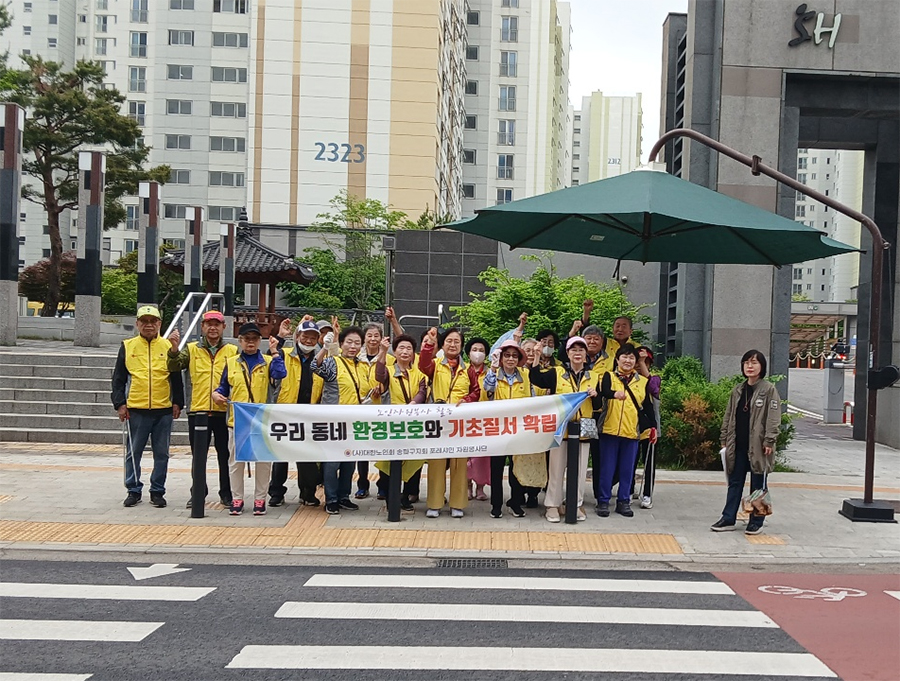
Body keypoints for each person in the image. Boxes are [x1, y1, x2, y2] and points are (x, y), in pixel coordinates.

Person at [112, 305, 185, 509]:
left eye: (153, 321)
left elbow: (176, 377)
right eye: (144, 321)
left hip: (163, 409)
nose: (149, 325)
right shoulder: (128, 346)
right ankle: (133, 489)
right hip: (136, 409)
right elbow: (118, 379)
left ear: (160, 324)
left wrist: (178, 402)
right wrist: (119, 404)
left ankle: (157, 490)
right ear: (137, 324)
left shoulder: (168, 346)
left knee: (162, 453)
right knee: (133, 452)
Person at [212, 322, 286, 516]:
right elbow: (223, 387)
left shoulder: (268, 361)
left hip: (261, 422)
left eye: (254, 339)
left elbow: (280, 374)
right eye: (246, 339)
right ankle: (237, 499)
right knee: (235, 463)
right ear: (240, 341)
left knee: (263, 462)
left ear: (260, 341)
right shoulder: (231, 362)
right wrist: (216, 394)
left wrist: (275, 351)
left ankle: (260, 499)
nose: (250, 342)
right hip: (237, 422)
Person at [166, 310, 238, 509]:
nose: (213, 328)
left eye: (217, 324)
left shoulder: (233, 351)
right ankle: (198, 492)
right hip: (198, 411)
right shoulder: (191, 349)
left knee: (225, 455)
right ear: (202, 327)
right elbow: (174, 366)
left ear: (224, 327)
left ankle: (227, 493)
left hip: (224, 411)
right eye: (209, 324)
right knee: (199, 456)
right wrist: (174, 349)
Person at [529, 335, 602, 523]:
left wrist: (595, 395)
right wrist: (536, 356)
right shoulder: (557, 372)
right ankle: (552, 505)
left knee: (579, 471)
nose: (577, 353)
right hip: (560, 430)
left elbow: (599, 406)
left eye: (581, 350)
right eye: (573, 350)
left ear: (586, 354)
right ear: (567, 353)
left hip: (583, 430)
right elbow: (536, 378)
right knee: (556, 469)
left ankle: (575, 504)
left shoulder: (594, 376)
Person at [712, 350, 781, 536]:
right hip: (738, 445)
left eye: (754, 362)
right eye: (746, 363)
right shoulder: (738, 390)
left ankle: (756, 521)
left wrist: (769, 440)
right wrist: (724, 438)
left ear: (762, 366)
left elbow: (773, 418)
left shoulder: (768, 390)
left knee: (759, 483)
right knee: (735, 482)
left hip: (759, 446)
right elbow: (728, 416)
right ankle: (728, 518)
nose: (750, 366)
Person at [312, 320, 377, 515]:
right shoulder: (334, 362)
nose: (353, 346)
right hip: (334, 422)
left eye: (357, 343)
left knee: (349, 461)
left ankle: (344, 497)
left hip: (354, 422)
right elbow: (315, 366)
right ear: (341, 344)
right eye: (349, 342)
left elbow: (365, 390)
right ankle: (331, 499)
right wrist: (326, 347)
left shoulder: (362, 366)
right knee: (332, 463)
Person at [418, 326, 481, 518]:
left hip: (460, 424)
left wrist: (467, 400)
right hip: (438, 423)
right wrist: (429, 344)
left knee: (459, 464)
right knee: (436, 463)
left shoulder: (468, 369)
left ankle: (457, 504)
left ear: (461, 345)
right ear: (443, 344)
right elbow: (423, 364)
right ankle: (435, 504)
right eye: (449, 341)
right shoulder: (435, 364)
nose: (453, 345)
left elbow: (476, 391)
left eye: (457, 341)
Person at [269, 317, 324, 508]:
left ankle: (307, 493)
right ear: (298, 336)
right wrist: (280, 336)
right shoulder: (285, 354)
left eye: (313, 338)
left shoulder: (321, 358)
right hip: (285, 413)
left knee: (307, 457)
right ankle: (276, 492)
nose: (308, 341)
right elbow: (270, 356)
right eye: (305, 336)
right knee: (280, 456)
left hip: (310, 414)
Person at [596, 344, 656, 518]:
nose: (628, 360)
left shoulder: (642, 382)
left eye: (631, 358)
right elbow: (604, 392)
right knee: (607, 468)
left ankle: (623, 502)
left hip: (631, 432)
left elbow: (648, 406)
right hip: (609, 430)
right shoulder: (608, 376)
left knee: (627, 470)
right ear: (617, 359)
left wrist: (653, 427)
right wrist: (614, 394)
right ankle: (603, 501)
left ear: (636, 361)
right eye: (624, 357)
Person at [482, 339, 539, 518]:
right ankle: (496, 505)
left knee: (517, 468)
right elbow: (487, 389)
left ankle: (516, 502)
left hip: (518, 430)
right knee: (497, 469)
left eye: (514, 356)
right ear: (501, 358)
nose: (510, 359)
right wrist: (492, 368)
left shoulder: (526, 375)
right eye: (507, 355)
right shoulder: (493, 373)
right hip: (497, 430)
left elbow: (533, 399)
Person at [374, 335, 428, 511]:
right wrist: (382, 352)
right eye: (401, 348)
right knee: (389, 462)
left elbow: (422, 392)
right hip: (392, 424)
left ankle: (406, 496)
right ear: (395, 351)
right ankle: (391, 498)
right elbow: (379, 375)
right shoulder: (388, 370)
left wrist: (412, 405)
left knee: (413, 460)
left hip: (412, 424)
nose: (405, 351)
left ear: (413, 353)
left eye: (409, 348)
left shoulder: (419, 374)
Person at [354, 323, 389, 500]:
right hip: (360, 409)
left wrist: (381, 389)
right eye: (369, 335)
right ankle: (362, 485)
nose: (373, 339)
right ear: (364, 338)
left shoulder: (389, 358)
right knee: (362, 450)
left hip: (380, 409)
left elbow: (389, 380)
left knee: (381, 449)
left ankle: (383, 486)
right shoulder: (356, 357)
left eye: (376, 336)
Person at [632, 346, 661, 509]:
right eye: (637, 362)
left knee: (649, 462)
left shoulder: (654, 379)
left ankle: (647, 494)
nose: (639, 365)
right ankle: (629, 490)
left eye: (644, 362)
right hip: (631, 426)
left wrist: (642, 362)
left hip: (651, 427)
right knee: (631, 460)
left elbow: (652, 388)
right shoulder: (628, 380)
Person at [464, 335, 490, 501]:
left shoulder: (491, 371)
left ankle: (480, 487)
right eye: (474, 350)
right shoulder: (463, 370)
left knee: (482, 455)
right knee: (466, 454)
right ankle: (467, 485)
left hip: (485, 418)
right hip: (465, 418)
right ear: (468, 353)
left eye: (481, 350)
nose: (478, 353)